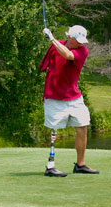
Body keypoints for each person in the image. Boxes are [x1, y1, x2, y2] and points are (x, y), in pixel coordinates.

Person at [39, 25, 99, 177]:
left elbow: (68, 55)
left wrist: (51, 38)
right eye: (77, 40)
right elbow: (44, 67)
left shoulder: (82, 51)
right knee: (54, 129)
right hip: (53, 95)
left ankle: (80, 165)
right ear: (70, 37)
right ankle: (50, 166)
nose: (81, 43)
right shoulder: (55, 47)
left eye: (82, 41)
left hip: (74, 97)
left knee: (83, 125)